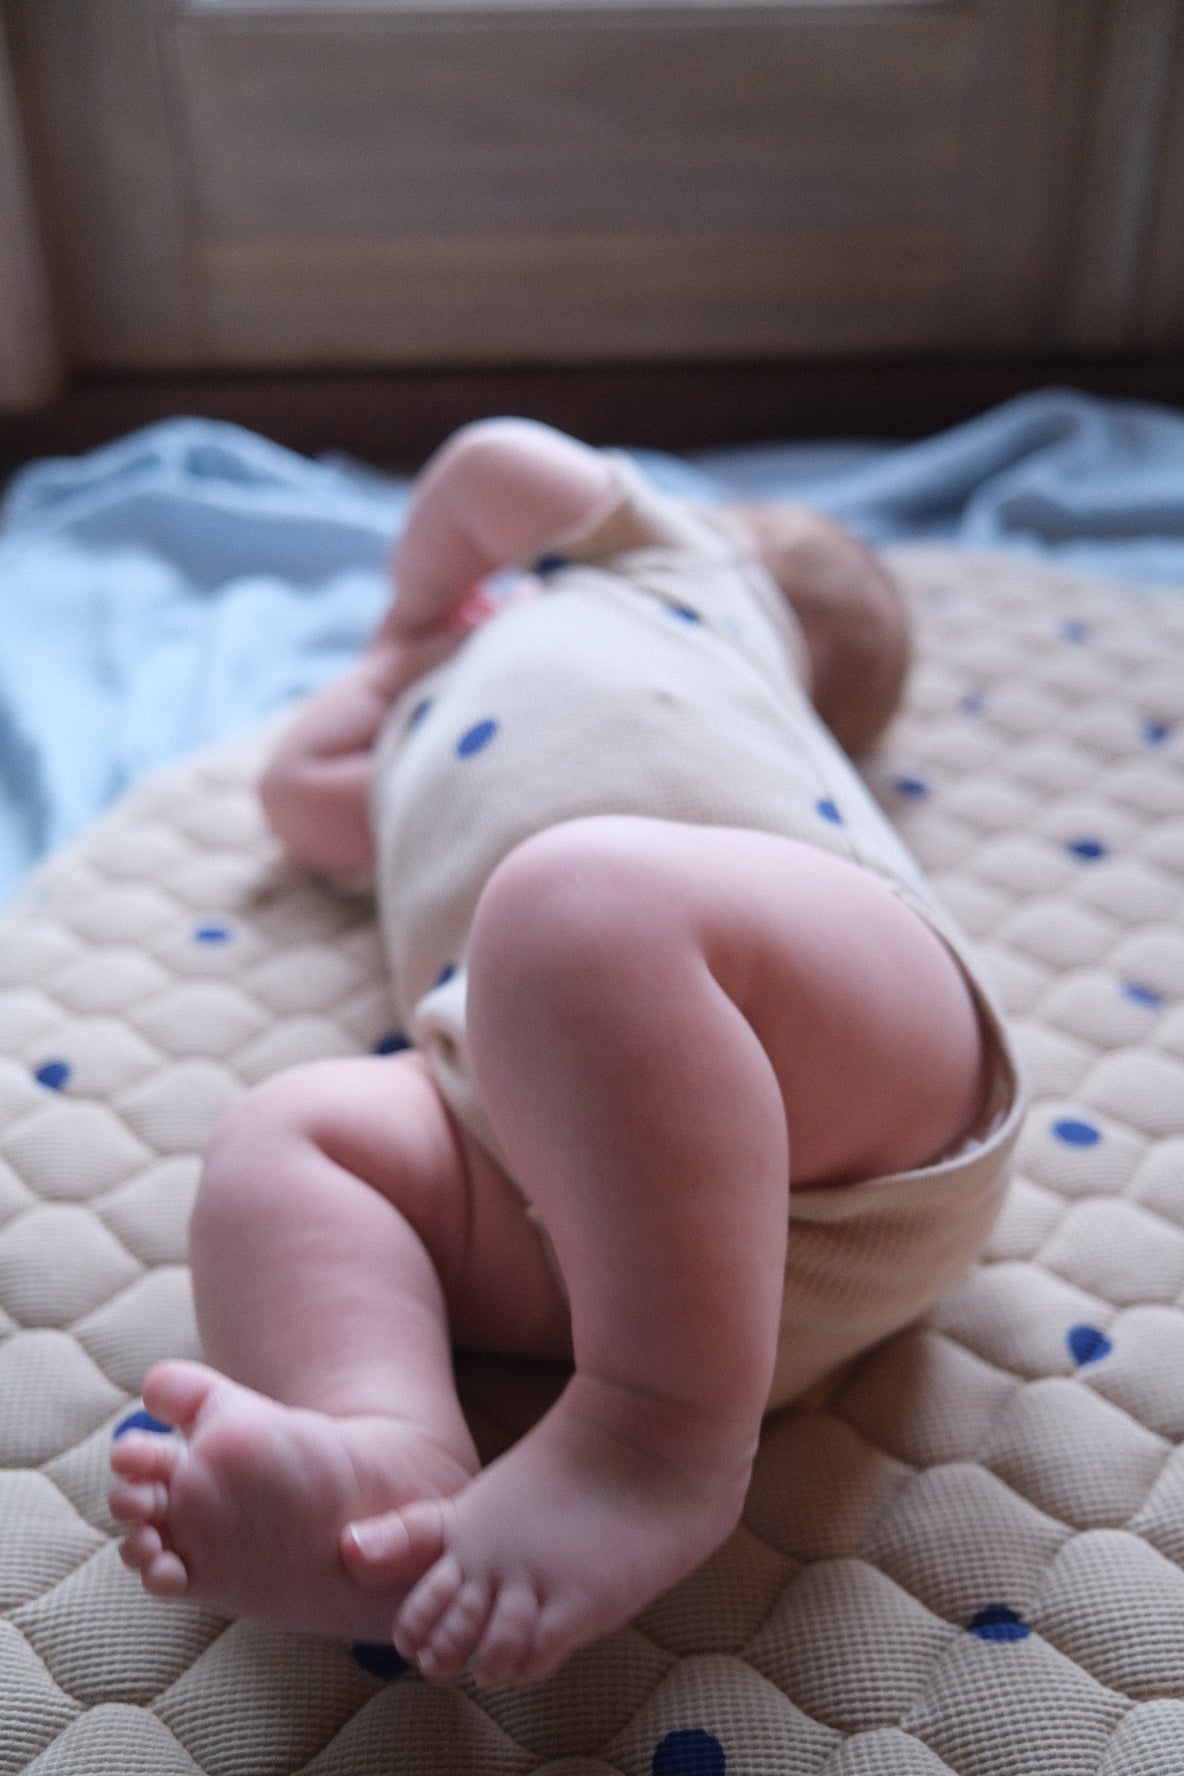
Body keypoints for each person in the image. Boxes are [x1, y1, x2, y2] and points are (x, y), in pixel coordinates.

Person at [110, 419, 1023, 1688]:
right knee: (290, 1135)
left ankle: (654, 1439)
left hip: (840, 1078)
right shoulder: (429, 717)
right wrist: (393, 675)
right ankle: (385, 1464)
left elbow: (488, 466)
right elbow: (304, 802)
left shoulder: (679, 567)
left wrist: (419, 602)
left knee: (576, 902)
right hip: (605, 1221)